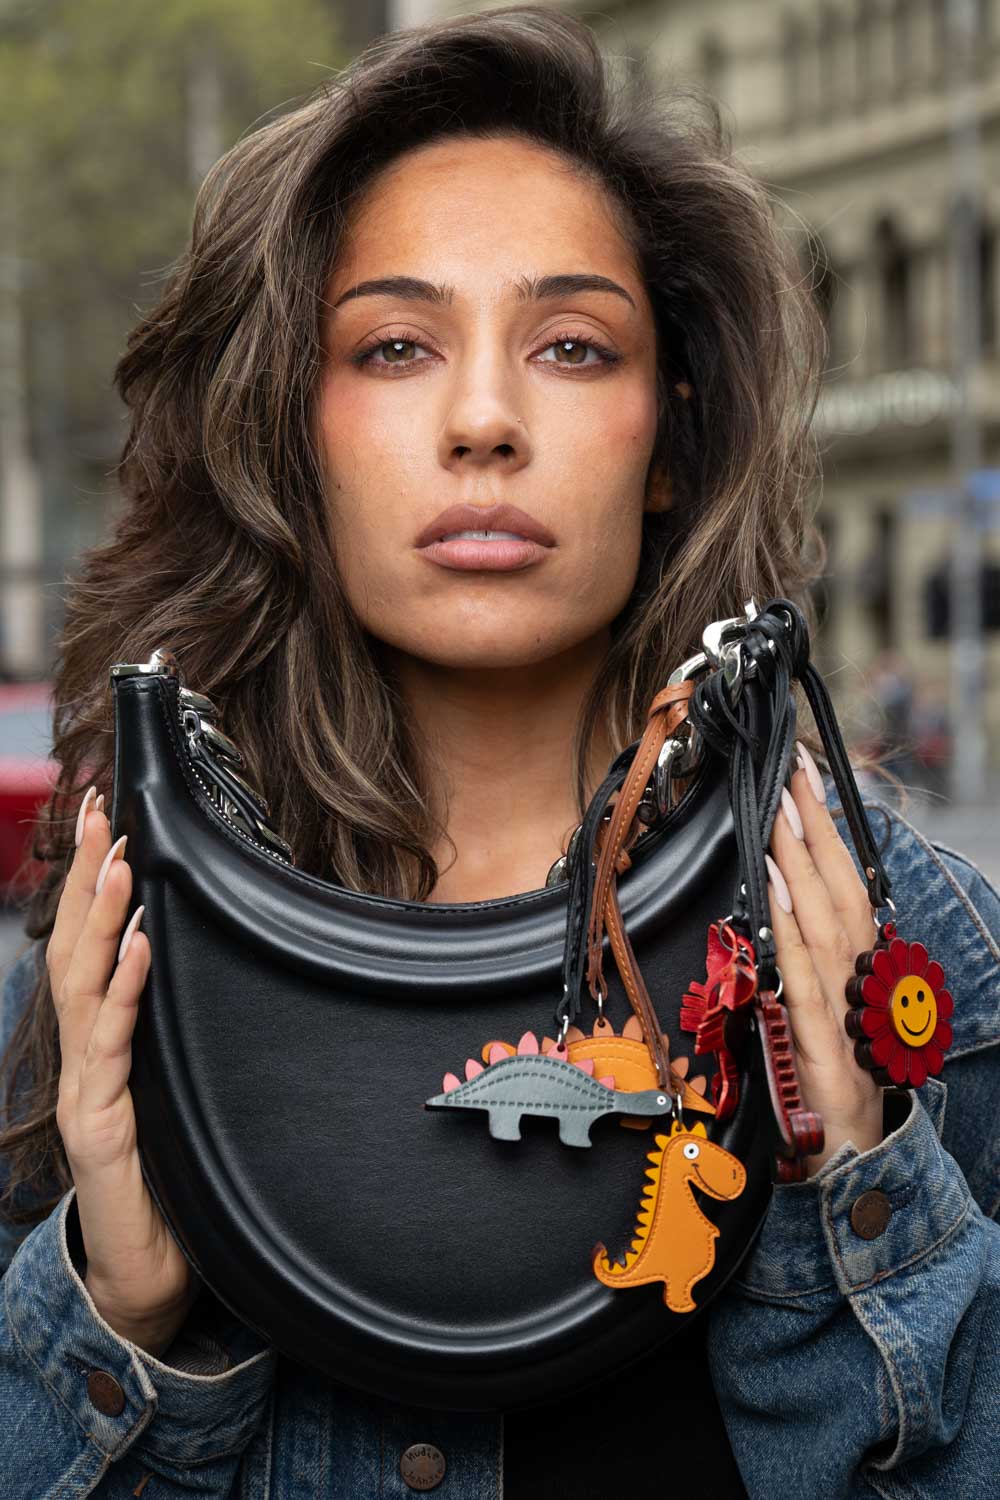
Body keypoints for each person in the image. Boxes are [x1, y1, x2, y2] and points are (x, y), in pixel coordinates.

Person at [1, 7, 997, 1497]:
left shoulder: (921, 969)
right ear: (295, 427)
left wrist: (858, 1198)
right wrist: (122, 1321)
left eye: (573, 346)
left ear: (669, 434)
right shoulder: (112, 973)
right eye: (397, 345)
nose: (483, 419)